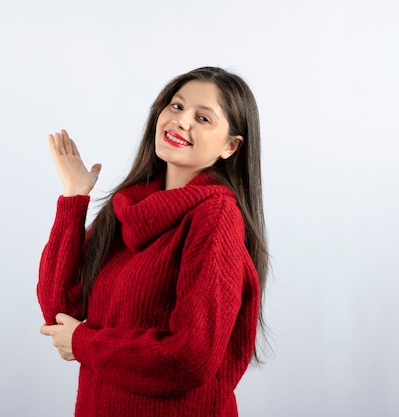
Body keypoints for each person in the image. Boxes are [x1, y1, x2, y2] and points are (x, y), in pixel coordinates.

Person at [38, 66, 269, 417]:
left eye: (203, 118)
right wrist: (74, 197)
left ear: (230, 146)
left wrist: (84, 342)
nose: (181, 121)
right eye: (176, 106)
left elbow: (190, 358)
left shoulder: (216, 217)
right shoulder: (127, 207)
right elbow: (60, 311)